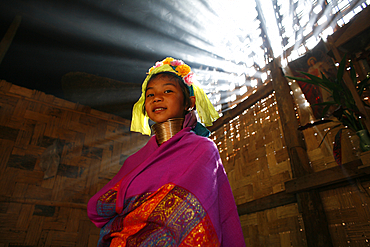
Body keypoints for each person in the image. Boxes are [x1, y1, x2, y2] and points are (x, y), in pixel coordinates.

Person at [87, 57, 245, 246]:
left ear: (190, 102)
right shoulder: (136, 160)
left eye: (168, 91)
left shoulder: (203, 149)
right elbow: (103, 206)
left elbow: (199, 207)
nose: (157, 98)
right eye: (150, 95)